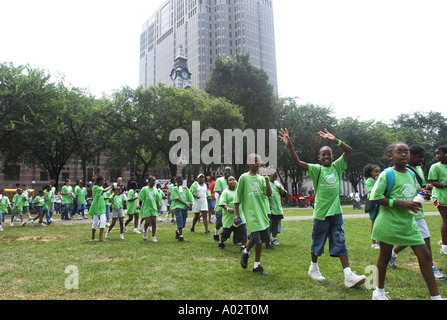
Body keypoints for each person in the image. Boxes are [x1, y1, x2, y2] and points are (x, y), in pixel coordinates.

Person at [279, 128, 366, 288]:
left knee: (340, 240)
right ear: (319, 158)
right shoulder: (316, 169)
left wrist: (335, 141)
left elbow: (349, 151)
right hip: (321, 213)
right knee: (318, 241)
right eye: (323, 154)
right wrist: (290, 145)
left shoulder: (338, 166)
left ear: (333, 157)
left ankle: (348, 275)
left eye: (329, 154)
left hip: (336, 213)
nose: (326, 156)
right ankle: (313, 268)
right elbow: (297, 162)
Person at [370, 142, 443, 300]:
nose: (404, 154)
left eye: (406, 152)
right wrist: (402, 203)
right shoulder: (387, 174)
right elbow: (375, 197)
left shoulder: (410, 173)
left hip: (409, 223)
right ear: (391, 156)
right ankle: (379, 292)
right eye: (399, 152)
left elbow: (409, 190)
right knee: (384, 256)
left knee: (425, 256)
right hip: (388, 222)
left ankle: (436, 297)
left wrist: (422, 193)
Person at [388, 145, 446, 279]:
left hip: (418, 208)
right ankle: (431, 268)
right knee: (425, 238)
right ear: (411, 156)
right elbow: (408, 189)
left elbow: (419, 187)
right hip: (411, 209)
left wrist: (426, 188)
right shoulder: (405, 170)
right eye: (419, 157)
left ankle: (391, 254)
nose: (422, 160)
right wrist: (422, 191)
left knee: (413, 237)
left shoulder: (418, 169)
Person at [236, 154, 271, 275]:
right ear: (249, 163)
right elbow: (238, 197)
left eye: (259, 161)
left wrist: (266, 177)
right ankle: (246, 251)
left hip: (261, 212)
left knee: (260, 240)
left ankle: (256, 265)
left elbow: (268, 193)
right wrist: (237, 214)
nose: (257, 163)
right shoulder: (243, 178)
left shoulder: (261, 179)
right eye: (255, 161)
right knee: (256, 238)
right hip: (250, 213)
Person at [218, 176, 247, 251]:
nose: (233, 181)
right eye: (230, 180)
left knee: (243, 229)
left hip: (240, 216)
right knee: (226, 232)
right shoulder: (225, 192)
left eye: (234, 179)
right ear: (227, 183)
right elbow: (222, 203)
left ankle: (243, 247)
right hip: (229, 217)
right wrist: (227, 209)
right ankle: (221, 242)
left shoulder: (239, 192)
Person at [428, 146, 447, 256]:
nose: (437, 156)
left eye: (439, 153)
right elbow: (433, 182)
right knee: (446, 220)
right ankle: (444, 247)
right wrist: (445, 185)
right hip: (440, 197)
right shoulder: (435, 167)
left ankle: (443, 239)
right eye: (436, 154)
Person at [88, 176, 113, 242]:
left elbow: (103, 197)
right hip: (96, 207)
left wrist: (110, 197)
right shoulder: (95, 187)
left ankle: (100, 238)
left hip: (102, 207)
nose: (104, 182)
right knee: (95, 222)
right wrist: (111, 187)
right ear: (99, 181)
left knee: (103, 221)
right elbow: (104, 191)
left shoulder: (101, 187)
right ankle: (93, 237)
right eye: (103, 181)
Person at [363, 164, 381, 249]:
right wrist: (378, 182)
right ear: (371, 172)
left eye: (379, 171)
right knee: (374, 222)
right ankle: (374, 243)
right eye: (376, 172)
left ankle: (380, 240)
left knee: (381, 223)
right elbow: (373, 191)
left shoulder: (380, 180)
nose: (378, 173)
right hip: (373, 203)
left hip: (380, 203)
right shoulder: (369, 180)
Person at [138, 176, 162, 242]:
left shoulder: (155, 190)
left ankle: (153, 236)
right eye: (152, 180)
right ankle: (145, 230)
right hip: (146, 207)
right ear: (149, 181)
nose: (154, 182)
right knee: (147, 222)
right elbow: (140, 197)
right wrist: (138, 203)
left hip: (153, 207)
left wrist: (159, 208)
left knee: (154, 222)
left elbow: (157, 200)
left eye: (154, 180)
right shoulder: (144, 189)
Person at [170, 176, 193, 242]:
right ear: (176, 181)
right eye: (178, 181)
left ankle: (178, 231)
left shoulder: (185, 189)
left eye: (181, 181)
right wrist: (185, 203)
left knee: (183, 222)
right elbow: (176, 198)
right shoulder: (174, 189)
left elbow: (190, 196)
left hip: (184, 208)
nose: (180, 183)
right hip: (177, 206)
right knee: (179, 219)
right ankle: (181, 236)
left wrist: (191, 204)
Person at [213, 168, 233, 242]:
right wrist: (227, 194)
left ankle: (233, 239)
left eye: (229, 171)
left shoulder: (233, 180)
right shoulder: (219, 180)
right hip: (221, 205)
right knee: (219, 222)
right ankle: (216, 233)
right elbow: (218, 190)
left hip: (230, 205)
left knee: (231, 223)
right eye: (226, 171)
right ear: (223, 172)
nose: (227, 172)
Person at [268, 172, 286, 246]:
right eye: (274, 174)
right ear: (269, 174)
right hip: (269, 208)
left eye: (276, 174)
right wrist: (269, 204)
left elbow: (283, 194)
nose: (275, 175)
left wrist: (280, 187)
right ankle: (267, 240)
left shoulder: (277, 183)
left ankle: (274, 239)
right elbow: (266, 195)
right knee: (269, 225)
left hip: (278, 208)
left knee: (277, 224)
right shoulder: (266, 183)